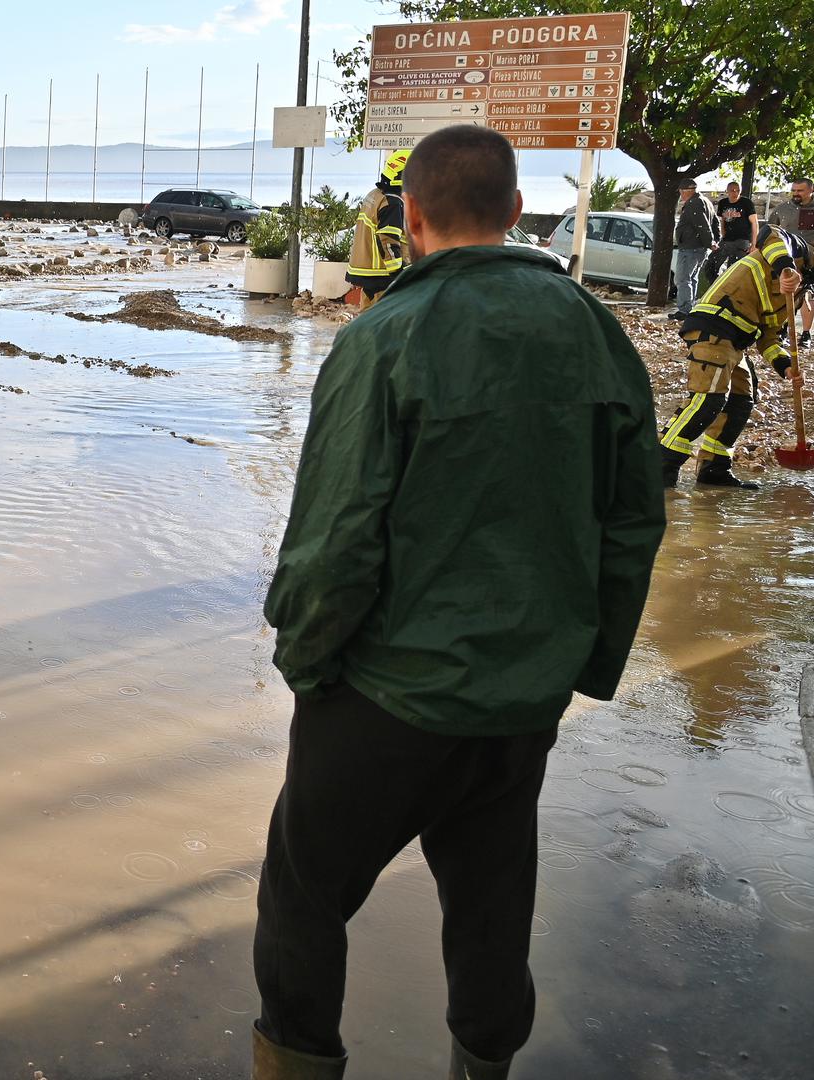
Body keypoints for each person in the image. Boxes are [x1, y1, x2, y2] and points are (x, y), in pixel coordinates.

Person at [253, 125, 665, 1080]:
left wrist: (307, 666)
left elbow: (335, 537)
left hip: (388, 695)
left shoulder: (385, 337)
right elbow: (633, 521)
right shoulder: (597, 334)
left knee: (305, 897)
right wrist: (577, 666)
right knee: (491, 910)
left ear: (412, 217)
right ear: (518, 213)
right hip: (523, 700)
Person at [659, 223, 810, 489]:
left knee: (741, 400)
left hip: (736, 341)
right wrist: (786, 267)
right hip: (715, 327)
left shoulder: (796, 293)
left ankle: (713, 468)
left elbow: (770, 336)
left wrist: (785, 366)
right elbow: (770, 233)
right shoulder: (795, 252)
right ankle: (660, 464)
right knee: (708, 399)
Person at [345, 148, 410, 310]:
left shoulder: (375, 195)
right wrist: (398, 273)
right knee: (385, 321)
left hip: (367, 272)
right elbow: (388, 238)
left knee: (367, 318)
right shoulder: (392, 203)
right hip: (382, 274)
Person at [767, 177, 814, 347]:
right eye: (793, 190)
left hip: (812, 261)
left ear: (811, 190)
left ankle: (806, 334)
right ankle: (783, 330)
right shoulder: (782, 209)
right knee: (787, 294)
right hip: (788, 260)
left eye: (800, 190)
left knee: (808, 295)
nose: (796, 194)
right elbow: (770, 231)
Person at [670, 178, 718, 319]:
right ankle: (690, 307)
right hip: (699, 248)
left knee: (682, 279)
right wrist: (715, 240)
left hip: (691, 247)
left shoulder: (693, 203)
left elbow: (703, 225)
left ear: (685, 191)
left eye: (681, 192)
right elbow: (715, 222)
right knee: (692, 278)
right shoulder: (705, 201)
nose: (680, 195)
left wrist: (711, 242)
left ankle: (685, 310)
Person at [704, 181, 757, 281]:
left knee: (734, 269)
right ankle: (717, 287)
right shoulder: (723, 203)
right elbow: (722, 221)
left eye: (738, 191)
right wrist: (721, 236)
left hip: (742, 240)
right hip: (727, 240)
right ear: (727, 191)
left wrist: (753, 244)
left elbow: (754, 223)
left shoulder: (746, 203)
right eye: (733, 191)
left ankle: (730, 292)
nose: (735, 193)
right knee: (711, 265)